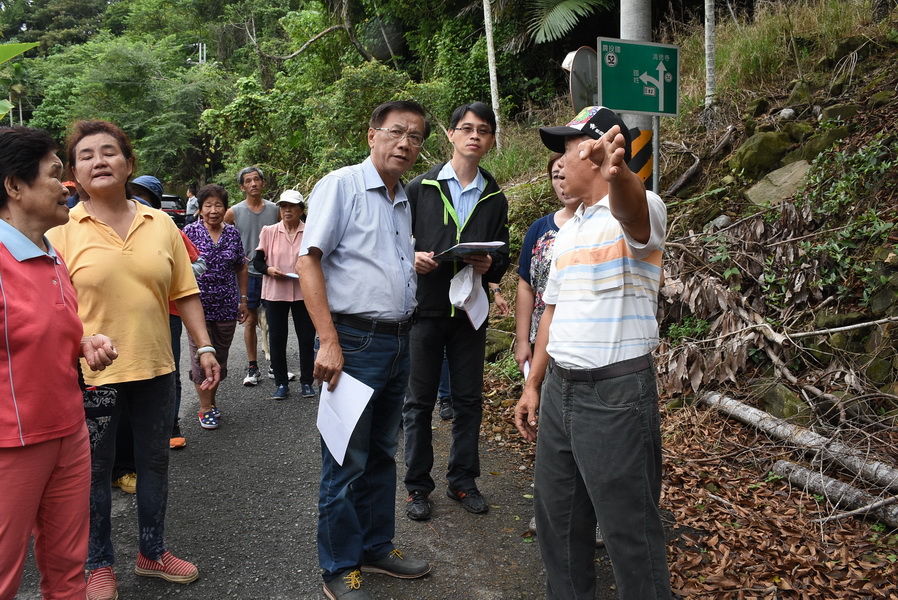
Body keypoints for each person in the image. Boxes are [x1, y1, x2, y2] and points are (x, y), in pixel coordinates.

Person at [47, 120, 221, 600]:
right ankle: (98, 563)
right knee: (94, 470)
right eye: (86, 155)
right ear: (73, 173)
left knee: (154, 463)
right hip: (90, 375)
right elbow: (48, 304)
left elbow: (185, 292)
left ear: (129, 163)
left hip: (157, 369)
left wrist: (203, 347)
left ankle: (152, 552)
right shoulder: (60, 229)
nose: (99, 161)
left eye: (109, 152)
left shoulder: (160, 223)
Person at [513, 106, 671, 600]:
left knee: (629, 532)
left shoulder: (642, 204)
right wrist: (533, 384)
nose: (559, 162)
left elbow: (632, 212)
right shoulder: (568, 231)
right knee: (558, 521)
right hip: (561, 389)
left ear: (598, 150)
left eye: (567, 149)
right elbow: (551, 313)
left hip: (616, 395)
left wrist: (619, 173)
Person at [297, 100, 432, 600]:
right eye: (396, 132)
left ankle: (376, 546)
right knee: (344, 459)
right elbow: (308, 261)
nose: (405, 144)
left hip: (398, 340)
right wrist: (328, 341)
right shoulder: (342, 185)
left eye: (415, 137)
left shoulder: (401, 197)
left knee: (382, 453)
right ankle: (338, 564)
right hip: (353, 341)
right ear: (371, 134)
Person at [0, 125, 117, 600]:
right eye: (54, 174)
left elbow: (43, 333)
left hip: (69, 433)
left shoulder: (51, 256)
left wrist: (83, 342)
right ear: (14, 186)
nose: (66, 185)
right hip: (12, 445)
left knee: (68, 569)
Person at [402, 101, 510, 521]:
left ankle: (463, 481)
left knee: (468, 400)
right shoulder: (420, 188)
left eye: (483, 130)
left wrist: (491, 264)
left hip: (469, 311)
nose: (474, 136)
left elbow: (501, 249)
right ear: (450, 134)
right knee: (419, 401)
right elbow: (396, 241)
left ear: (491, 140)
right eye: (466, 128)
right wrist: (412, 257)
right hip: (425, 308)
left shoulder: (495, 194)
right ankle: (417, 487)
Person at [183, 184, 248, 429]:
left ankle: (211, 400)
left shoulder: (232, 234)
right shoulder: (189, 232)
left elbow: (241, 266)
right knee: (202, 357)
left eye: (218, 205)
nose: (213, 210)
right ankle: (204, 407)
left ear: (225, 208)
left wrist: (243, 300)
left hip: (226, 307)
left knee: (220, 357)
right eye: (208, 205)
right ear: (199, 209)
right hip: (196, 307)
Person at [513, 152, 581, 374]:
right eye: (556, 177)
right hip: (543, 340)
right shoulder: (539, 229)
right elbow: (526, 285)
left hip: (585, 339)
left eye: (567, 174)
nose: (563, 183)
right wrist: (523, 340)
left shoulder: (602, 224)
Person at [253, 189, 315, 400]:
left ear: (301, 209)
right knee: (277, 338)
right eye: (283, 206)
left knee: (306, 338)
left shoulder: (311, 231)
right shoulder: (269, 231)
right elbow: (257, 261)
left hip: (304, 291)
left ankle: (307, 382)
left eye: (292, 206)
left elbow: (317, 260)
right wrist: (269, 270)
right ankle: (281, 383)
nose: (287, 210)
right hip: (275, 291)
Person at [224, 167, 280, 386]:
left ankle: (276, 365)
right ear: (242, 187)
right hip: (247, 275)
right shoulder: (234, 212)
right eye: (248, 181)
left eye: (257, 179)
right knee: (250, 320)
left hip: (271, 273)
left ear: (263, 183)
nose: (253, 183)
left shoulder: (275, 209)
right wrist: (236, 258)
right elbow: (222, 234)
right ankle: (252, 367)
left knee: (275, 321)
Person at [437, 283, 508, 421]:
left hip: (469, 305)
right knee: (444, 354)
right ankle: (445, 398)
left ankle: (459, 400)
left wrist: (497, 293)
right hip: (437, 305)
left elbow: (487, 264)